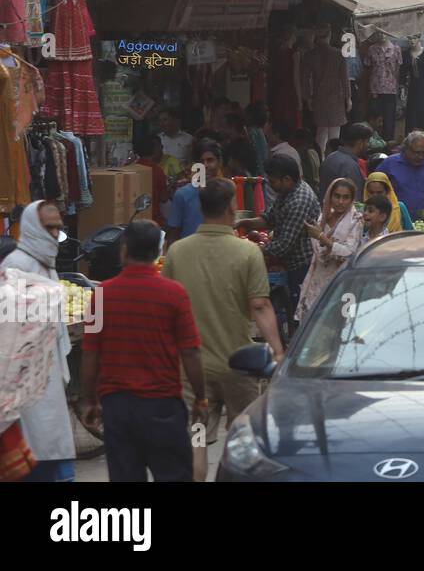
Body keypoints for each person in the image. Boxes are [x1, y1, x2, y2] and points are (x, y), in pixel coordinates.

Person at [160, 179, 283, 478]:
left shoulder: (178, 252)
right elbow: (260, 306)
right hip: (237, 365)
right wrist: (279, 352)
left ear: (201, 209)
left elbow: (166, 307)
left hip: (191, 369)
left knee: (196, 440)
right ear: (231, 208)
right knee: (244, 443)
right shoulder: (247, 253)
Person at [79, 221, 204, 483]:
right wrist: (200, 397)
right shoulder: (174, 293)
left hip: (118, 408)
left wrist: (88, 400)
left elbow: (91, 354)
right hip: (163, 406)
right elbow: (190, 352)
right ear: (158, 253)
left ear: (123, 251)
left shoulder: (101, 295)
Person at [8, 202, 76, 481]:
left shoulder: (46, 266)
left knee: (51, 451)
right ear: (32, 228)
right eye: (49, 227)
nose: (54, 234)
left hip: (48, 380)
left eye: (58, 227)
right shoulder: (16, 267)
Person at [241, 154, 321, 312]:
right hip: (288, 262)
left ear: (287, 179)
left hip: (301, 264)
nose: (270, 185)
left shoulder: (299, 200)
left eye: (273, 181)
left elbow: (283, 246)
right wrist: (243, 222)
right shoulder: (286, 191)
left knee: (299, 309)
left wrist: (251, 249)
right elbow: (269, 219)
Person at [298, 178, 363, 320]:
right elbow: (318, 251)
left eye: (346, 197)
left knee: (339, 327)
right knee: (315, 328)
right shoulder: (322, 218)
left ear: (352, 199)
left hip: (342, 282)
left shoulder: (356, 221)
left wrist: (322, 238)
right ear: (330, 196)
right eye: (337, 196)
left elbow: (348, 253)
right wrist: (330, 244)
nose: (341, 201)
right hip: (318, 281)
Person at [166, 140, 224, 243]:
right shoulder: (183, 194)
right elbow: (173, 234)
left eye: (210, 160)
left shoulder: (228, 192)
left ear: (220, 162)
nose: (205, 165)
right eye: (201, 162)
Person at [377, 131, 424, 219]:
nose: (420, 157)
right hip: (397, 222)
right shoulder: (389, 164)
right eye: (416, 153)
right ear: (406, 149)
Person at [318, 122, 369, 198]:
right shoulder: (351, 166)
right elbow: (354, 201)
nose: (368, 145)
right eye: (367, 141)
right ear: (360, 143)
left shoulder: (330, 158)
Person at [135, 134, 173, 226]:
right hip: (153, 220)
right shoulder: (156, 170)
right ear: (155, 148)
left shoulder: (132, 168)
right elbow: (164, 198)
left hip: (135, 219)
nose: (162, 149)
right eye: (160, 146)